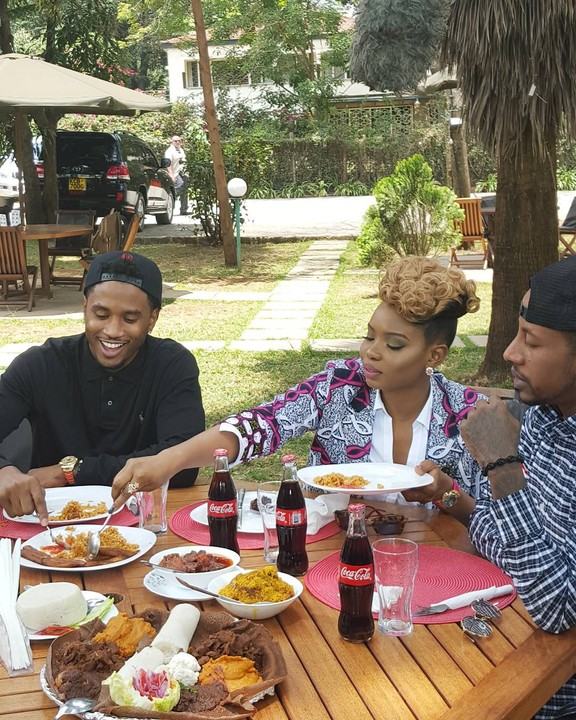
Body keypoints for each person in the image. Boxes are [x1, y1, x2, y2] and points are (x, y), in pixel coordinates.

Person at [112, 256, 485, 523]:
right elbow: (262, 424)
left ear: (434, 355)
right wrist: (170, 460)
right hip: (334, 555)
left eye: (395, 344)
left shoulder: (471, 416)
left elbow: (498, 526)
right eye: (370, 336)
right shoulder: (339, 387)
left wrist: (445, 493)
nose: (371, 351)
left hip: (437, 566)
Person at [0, 250, 205, 524]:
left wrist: (70, 472)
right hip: (47, 526)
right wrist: (3, 470)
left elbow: (183, 466)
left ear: (152, 319)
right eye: (101, 314)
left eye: (130, 319)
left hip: (146, 524)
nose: (112, 330)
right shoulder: (41, 364)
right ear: (85, 306)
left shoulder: (172, 365)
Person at [459, 256, 576, 720]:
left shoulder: (518, 431)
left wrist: (503, 467)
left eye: (531, 340)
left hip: (547, 699)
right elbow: (488, 529)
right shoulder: (544, 418)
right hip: (499, 637)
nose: (510, 353)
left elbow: (556, 609)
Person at [164, 136, 189, 215]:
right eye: (175, 141)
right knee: (179, 188)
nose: (178, 142)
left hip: (182, 172)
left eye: (179, 141)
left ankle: (184, 209)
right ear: (172, 142)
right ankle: (169, 204)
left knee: (185, 190)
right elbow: (168, 164)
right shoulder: (169, 151)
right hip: (175, 173)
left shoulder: (180, 150)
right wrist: (171, 175)